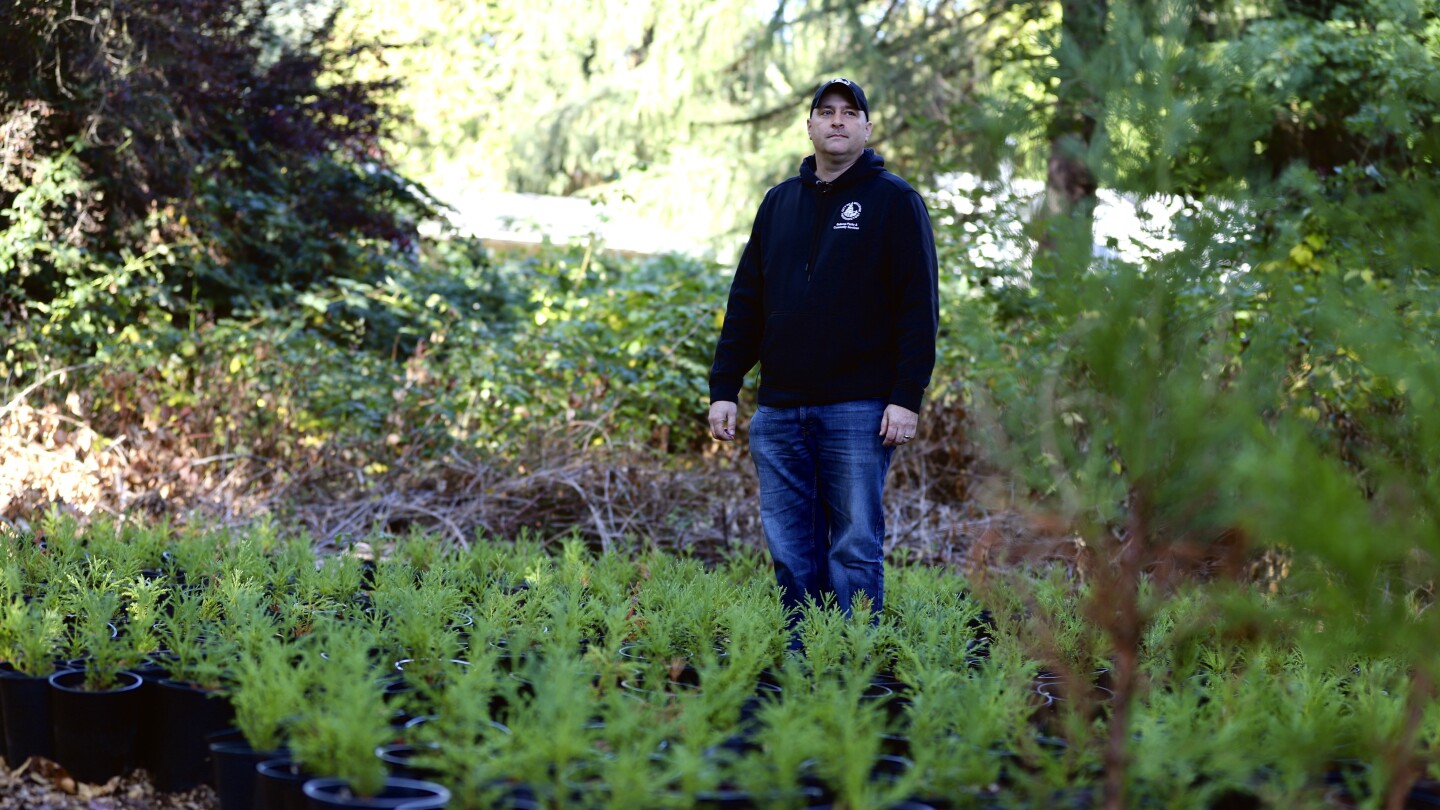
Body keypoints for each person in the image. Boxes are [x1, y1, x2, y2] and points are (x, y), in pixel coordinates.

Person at [707, 77, 939, 622]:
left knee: (854, 547)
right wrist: (725, 387)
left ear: (866, 127)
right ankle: (803, 655)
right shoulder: (778, 203)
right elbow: (746, 301)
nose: (837, 120)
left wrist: (907, 397)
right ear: (809, 125)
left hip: (858, 408)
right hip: (780, 410)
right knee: (791, 551)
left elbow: (918, 307)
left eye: (849, 112)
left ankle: (853, 664)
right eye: (826, 111)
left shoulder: (895, 202)